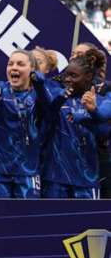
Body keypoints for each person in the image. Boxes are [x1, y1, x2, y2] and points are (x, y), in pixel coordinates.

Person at [0, 50, 53, 198]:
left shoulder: (39, 93)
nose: (14, 67)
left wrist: (40, 86)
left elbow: (50, 109)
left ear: (32, 69)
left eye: (20, 64)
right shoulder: (0, 88)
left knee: (27, 213)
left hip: (28, 170)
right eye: (10, 64)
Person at [41, 52, 111, 198]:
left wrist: (91, 112)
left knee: (89, 215)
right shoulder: (56, 96)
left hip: (87, 177)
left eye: (73, 76)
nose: (68, 79)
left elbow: (104, 131)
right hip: (55, 177)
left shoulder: (100, 100)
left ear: (88, 77)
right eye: (66, 75)